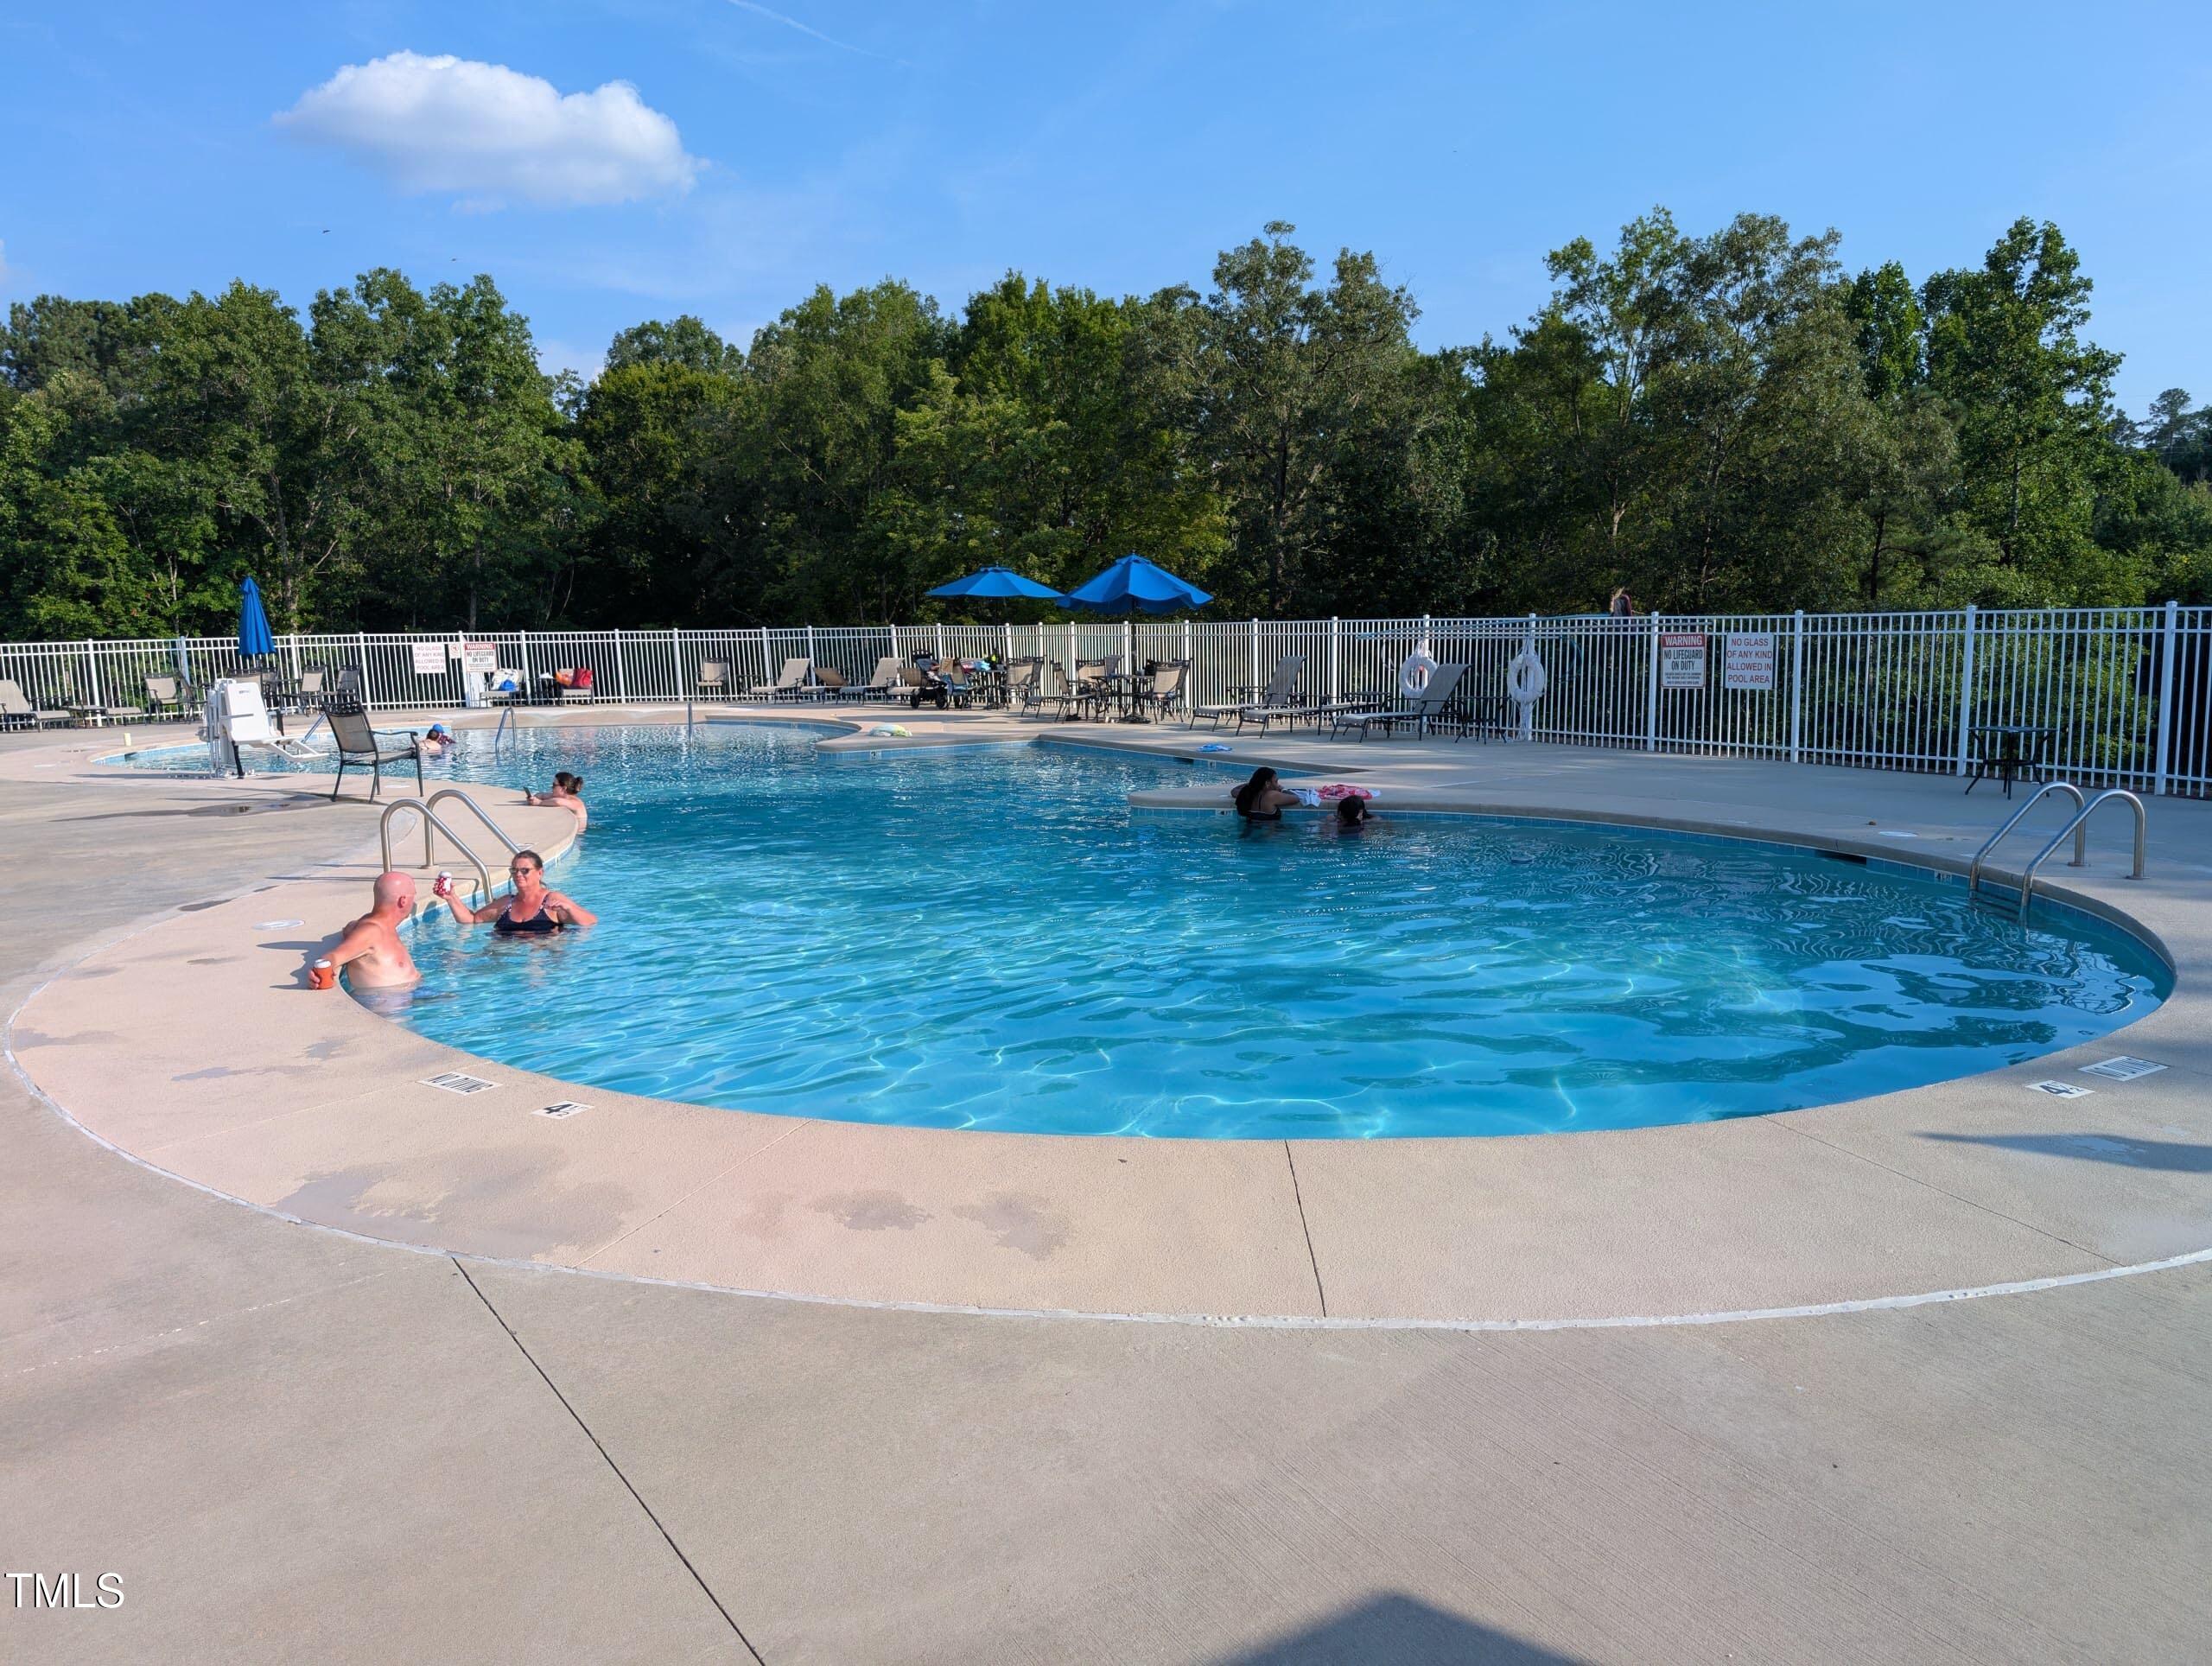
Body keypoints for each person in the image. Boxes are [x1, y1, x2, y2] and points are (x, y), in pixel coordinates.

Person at [435, 850, 597, 933]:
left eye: (525, 870)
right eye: (514, 870)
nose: (518, 874)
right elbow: (471, 920)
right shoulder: (506, 903)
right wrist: (451, 898)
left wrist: (568, 909)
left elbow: (590, 921)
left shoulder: (551, 900)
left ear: (540, 873)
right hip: (505, 957)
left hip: (540, 956)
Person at [315, 871, 420, 990]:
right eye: (413, 896)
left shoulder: (378, 925)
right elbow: (334, 956)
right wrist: (320, 973)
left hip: (407, 997)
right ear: (403, 901)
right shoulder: (372, 932)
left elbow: (351, 928)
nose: (414, 902)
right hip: (389, 1003)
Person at [524, 771, 588, 831]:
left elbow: (558, 802)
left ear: (563, 788)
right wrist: (533, 798)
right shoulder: (560, 797)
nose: (551, 787)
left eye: (554, 785)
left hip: (577, 835)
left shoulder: (576, 802)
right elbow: (541, 795)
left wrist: (539, 802)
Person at [1232, 766, 1300, 820]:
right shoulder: (1271, 795)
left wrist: (1253, 784)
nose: (1277, 785)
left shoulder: (1247, 793)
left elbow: (1234, 791)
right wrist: (1282, 789)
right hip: (1270, 834)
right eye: (1276, 782)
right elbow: (1296, 798)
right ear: (1267, 783)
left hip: (1249, 830)